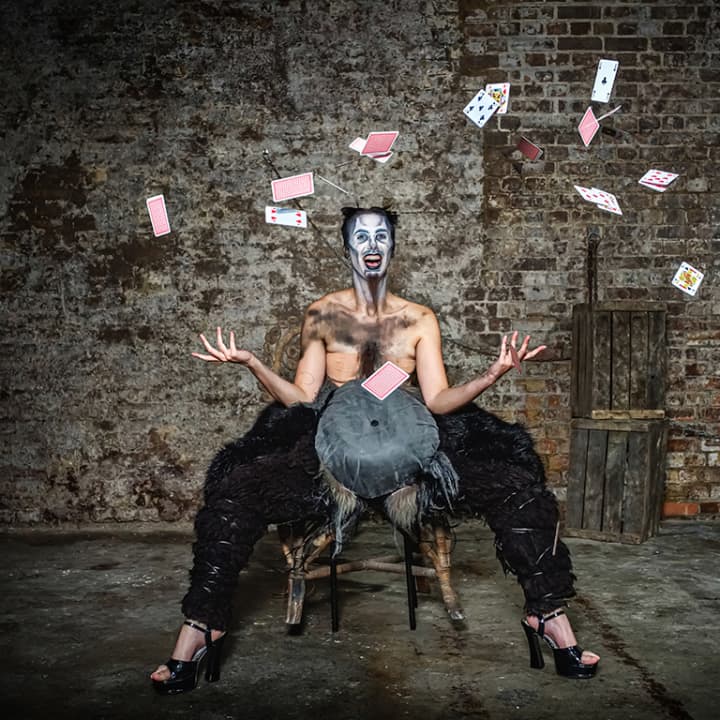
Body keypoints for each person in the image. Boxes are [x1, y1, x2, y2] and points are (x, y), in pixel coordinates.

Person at [150, 207, 599, 694]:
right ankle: (201, 627)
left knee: (517, 485)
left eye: (381, 235)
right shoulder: (322, 314)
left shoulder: (419, 319)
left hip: (411, 444)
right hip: (334, 445)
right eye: (361, 236)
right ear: (348, 249)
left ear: (392, 247)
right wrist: (253, 362)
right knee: (236, 490)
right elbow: (302, 397)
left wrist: (492, 374)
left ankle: (548, 617)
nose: (372, 244)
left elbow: (438, 400)